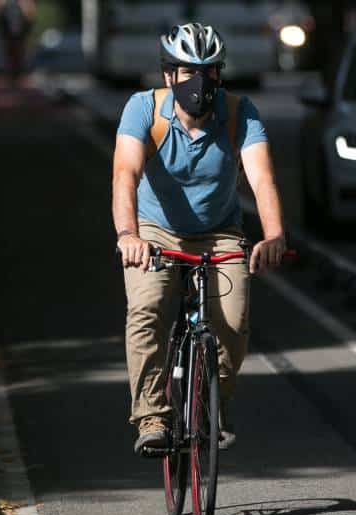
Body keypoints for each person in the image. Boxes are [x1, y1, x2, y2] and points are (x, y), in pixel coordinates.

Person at [112, 23, 287, 455]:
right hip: (155, 230)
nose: (199, 83)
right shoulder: (142, 109)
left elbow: (261, 179)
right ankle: (151, 415)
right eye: (188, 72)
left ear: (220, 76)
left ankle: (216, 401)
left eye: (209, 72)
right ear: (168, 75)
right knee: (148, 308)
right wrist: (128, 235)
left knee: (234, 319)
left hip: (220, 232)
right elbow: (125, 175)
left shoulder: (240, 113)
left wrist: (274, 235)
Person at [0, 0, 34, 85]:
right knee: (10, 55)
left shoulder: (24, 4)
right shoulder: (5, 4)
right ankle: (11, 76)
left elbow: (29, 15)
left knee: (18, 55)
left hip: (19, 35)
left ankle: (16, 76)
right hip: (8, 34)